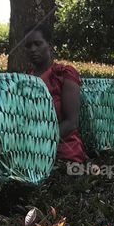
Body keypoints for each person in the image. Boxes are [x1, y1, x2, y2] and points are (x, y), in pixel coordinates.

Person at [24, 24, 87, 166]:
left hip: (63, 149)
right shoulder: (25, 78)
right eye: (28, 46)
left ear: (49, 45)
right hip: (29, 152)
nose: (33, 49)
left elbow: (71, 122)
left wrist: (39, 142)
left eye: (38, 44)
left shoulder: (63, 74)